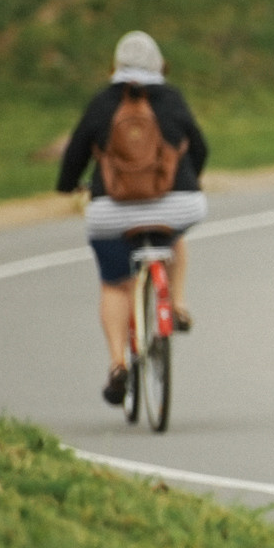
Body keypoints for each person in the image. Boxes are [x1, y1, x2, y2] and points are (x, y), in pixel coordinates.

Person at [56, 31, 209, 406]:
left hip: (112, 212)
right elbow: (201, 147)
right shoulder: (171, 100)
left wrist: (68, 185)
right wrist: (189, 181)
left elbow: (75, 153)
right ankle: (177, 303)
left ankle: (117, 364)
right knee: (173, 239)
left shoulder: (102, 104)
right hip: (177, 205)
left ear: (115, 67)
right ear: (160, 65)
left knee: (115, 285)